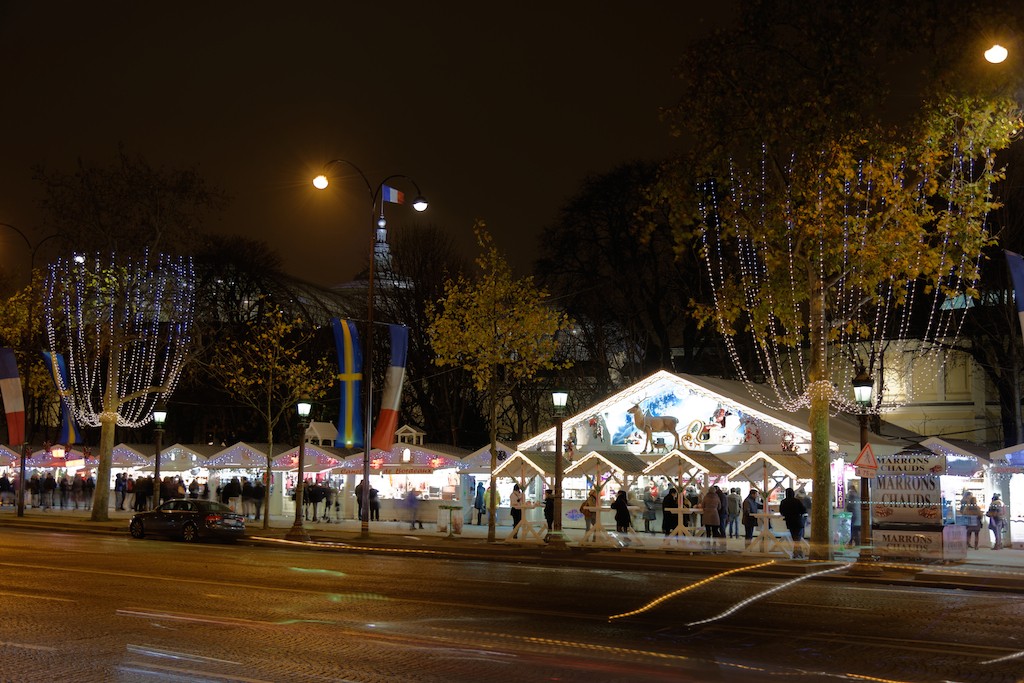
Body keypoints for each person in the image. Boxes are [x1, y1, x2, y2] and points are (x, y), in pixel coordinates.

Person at [780, 487, 808, 559]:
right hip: (798, 521)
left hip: (789, 522)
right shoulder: (797, 501)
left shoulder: (783, 502)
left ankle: (798, 553)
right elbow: (803, 510)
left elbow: (782, 512)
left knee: (795, 538)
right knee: (797, 538)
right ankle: (797, 553)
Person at [701, 486, 723, 552]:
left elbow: (702, 505)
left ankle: (708, 545)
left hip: (707, 515)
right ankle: (714, 545)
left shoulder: (706, 497)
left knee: (708, 532)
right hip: (715, 515)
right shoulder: (717, 497)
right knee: (715, 531)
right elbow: (719, 507)